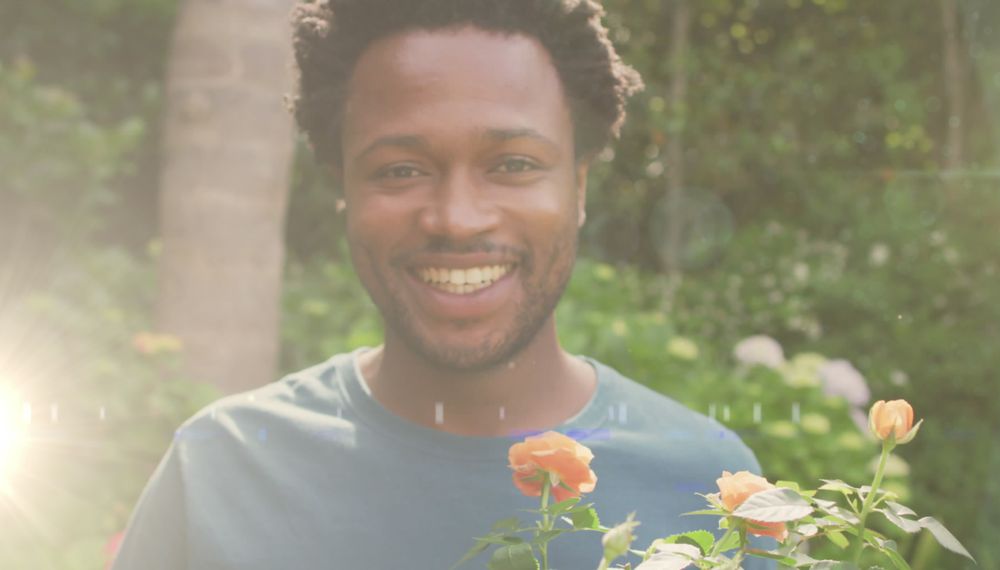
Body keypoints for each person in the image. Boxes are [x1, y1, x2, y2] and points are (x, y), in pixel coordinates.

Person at [112, 1, 772, 568]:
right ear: (344, 187)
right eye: (400, 170)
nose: (457, 219)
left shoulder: (711, 488)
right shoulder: (221, 474)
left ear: (579, 186)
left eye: (513, 164)